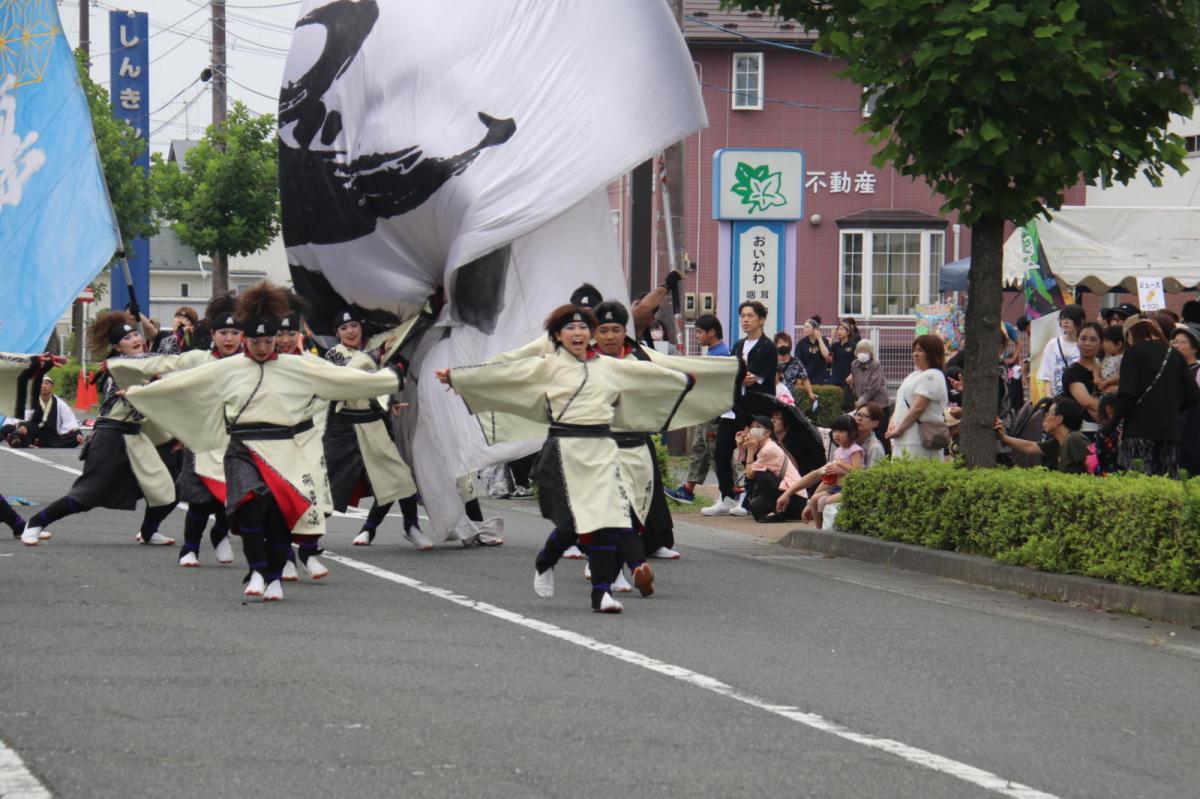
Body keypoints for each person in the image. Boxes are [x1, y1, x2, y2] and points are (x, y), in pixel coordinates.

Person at [121, 282, 408, 601]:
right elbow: (184, 384)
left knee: (277, 518)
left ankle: (273, 577)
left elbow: (342, 380)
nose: (261, 347)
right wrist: (138, 393)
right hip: (242, 448)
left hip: (285, 451)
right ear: (246, 339)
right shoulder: (227, 367)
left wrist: (391, 376)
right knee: (252, 509)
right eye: (255, 341)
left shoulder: (299, 365)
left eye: (268, 341)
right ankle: (257, 570)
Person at [437, 304, 732, 613]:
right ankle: (545, 561)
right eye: (570, 329)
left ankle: (602, 593)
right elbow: (507, 374)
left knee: (612, 518)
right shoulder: (546, 366)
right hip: (565, 452)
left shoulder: (607, 366)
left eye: (582, 328)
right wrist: (460, 379)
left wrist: (682, 380)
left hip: (602, 451)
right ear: (557, 336)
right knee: (576, 523)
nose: (578, 333)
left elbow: (645, 372)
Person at [105, 296, 244, 567]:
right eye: (223, 333)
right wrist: (118, 366)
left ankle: (219, 534)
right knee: (199, 499)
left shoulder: (249, 363)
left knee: (234, 496)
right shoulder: (197, 358)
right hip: (201, 435)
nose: (229, 338)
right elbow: (159, 366)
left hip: (235, 439)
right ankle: (189, 549)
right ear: (213, 335)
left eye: (235, 333)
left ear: (243, 336)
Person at [20, 313, 178, 547]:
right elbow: (148, 371)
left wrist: (144, 320)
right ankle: (36, 522)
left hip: (138, 437)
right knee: (88, 496)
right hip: (111, 437)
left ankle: (148, 531)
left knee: (169, 488)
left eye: (136, 334)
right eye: (127, 338)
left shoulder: (147, 360)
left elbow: (169, 353)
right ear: (117, 346)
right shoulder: (117, 367)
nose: (135, 339)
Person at [324, 307, 424, 552]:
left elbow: (379, 387)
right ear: (337, 333)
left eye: (354, 325)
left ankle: (407, 526)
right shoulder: (335, 355)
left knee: (397, 474)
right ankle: (300, 530)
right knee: (327, 484)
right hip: (344, 427)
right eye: (344, 328)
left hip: (373, 422)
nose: (350, 331)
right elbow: (345, 383)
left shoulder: (374, 353)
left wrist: (388, 403)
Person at [703, 301, 776, 516]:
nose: (745, 320)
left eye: (750, 316)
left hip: (756, 409)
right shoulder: (737, 346)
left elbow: (752, 378)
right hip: (734, 406)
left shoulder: (767, 347)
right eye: (742, 315)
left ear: (761, 319)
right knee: (721, 450)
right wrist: (739, 377)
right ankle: (727, 496)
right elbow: (735, 375)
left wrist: (740, 377)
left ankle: (747, 499)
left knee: (752, 452)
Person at [1106, 315, 1200, 477]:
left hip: (1138, 431)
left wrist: (1111, 425)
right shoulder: (1175, 355)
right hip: (1169, 434)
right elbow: (1193, 394)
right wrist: (1172, 409)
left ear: (1130, 334)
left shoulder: (1134, 353)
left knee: (1139, 485)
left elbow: (1128, 395)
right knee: (1166, 486)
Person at [665, 314, 729, 504]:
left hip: (715, 411)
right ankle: (688, 490)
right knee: (700, 449)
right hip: (707, 411)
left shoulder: (721, 355)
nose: (697, 336)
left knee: (716, 453)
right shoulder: (713, 352)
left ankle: (731, 492)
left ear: (712, 332)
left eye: (699, 332)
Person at [886, 334, 950, 460]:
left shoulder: (933, 375)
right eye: (914, 350)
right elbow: (902, 402)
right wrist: (892, 422)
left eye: (920, 350)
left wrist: (900, 429)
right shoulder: (913, 375)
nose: (915, 354)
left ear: (932, 353)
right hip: (904, 436)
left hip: (919, 438)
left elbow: (918, 408)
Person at [994, 397, 1090, 474]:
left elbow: (1095, 466)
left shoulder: (1074, 439)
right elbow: (1030, 446)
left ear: (1059, 419)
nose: (1045, 417)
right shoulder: (1058, 442)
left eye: (1049, 414)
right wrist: (1003, 437)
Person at [800, 414, 864, 524]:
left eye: (841, 431)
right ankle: (819, 528)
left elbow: (857, 471)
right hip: (837, 486)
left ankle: (830, 527)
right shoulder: (838, 450)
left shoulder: (855, 450)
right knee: (815, 499)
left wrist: (840, 464)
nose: (836, 435)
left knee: (829, 501)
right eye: (835, 431)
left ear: (852, 433)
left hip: (849, 487)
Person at [739, 414, 803, 522]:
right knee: (755, 509)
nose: (753, 430)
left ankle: (779, 512)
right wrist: (741, 447)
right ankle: (774, 510)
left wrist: (750, 450)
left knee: (761, 474)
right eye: (752, 427)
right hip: (786, 495)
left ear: (768, 432)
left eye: (758, 427)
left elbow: (749, 474)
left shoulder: (768, 449)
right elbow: (748, 469)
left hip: (794, 498)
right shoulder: (762, 447)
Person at [9, 377, 83, 449]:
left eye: (47, 384)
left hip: (53, 435)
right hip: (35, 432)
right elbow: (24, 417)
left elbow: (70, 421)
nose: (44, 386)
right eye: (41, 384)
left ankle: (32, 443)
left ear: (52, 386)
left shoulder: (60, 403)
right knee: (17, 428)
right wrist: (22, 426)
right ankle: (17, 439)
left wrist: (78, 433)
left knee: (75, 438)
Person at [1062, 321, 1104, 438]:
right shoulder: (1072, 371)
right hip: (1080, 432)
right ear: (1077, 341)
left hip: (1104, 430)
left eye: (1093, 340)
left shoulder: (1104, 367)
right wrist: (1112, 413)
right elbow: (1086, 401)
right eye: (1083, 338)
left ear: (1101, 343)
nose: (1087, 343)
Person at [1037, 304, 1085, 399]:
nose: (1065, 322)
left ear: (1080, 321)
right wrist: (1049, 398)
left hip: (1079, 399)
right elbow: (1046, 376)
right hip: (1056, 399)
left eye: (1070, 318)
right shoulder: (1052, 344)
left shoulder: (1084, 346)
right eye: (1062, 318)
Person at [1171, 323, 1200, 477]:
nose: (1177, 345)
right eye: (1174, 342)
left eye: (1182, 342)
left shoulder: (1198, 371)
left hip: (1192, 433)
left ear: (1194, 348)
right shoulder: (1171, 371)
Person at [828, 320, 858, 410]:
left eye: (842, 329)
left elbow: (857, 361)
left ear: (848, 332)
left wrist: (852, 375)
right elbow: (827, 354)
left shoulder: (853, 345)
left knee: (847, 404)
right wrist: (832, 337)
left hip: (848, 379)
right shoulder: (835, 345)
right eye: (838, 329)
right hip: (836, 378)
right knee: (835, 404)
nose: (839, 331)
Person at [850, 339, 888, 409]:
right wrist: (856, 398)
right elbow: (854, 383)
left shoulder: (875, 364)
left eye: (865, 351)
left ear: (870, 352)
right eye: (860, 350)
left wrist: (862, 399)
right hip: (862, 403)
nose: (862, 353)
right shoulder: (854, 364)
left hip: (878, 403)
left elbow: (874, 386)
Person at [795, 318, 831, 387]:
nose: (804, 329)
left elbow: (826, 355)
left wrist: (819, 338)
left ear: (815, 329)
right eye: (804, 327)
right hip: (807, 378)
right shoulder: (801, 343)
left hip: (821, 378)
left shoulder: (824, 341)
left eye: (807, 327)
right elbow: (798, 361)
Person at [1097, 325, 1124, 395]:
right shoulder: (1106, 356)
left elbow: (1121, 376)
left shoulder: (1122, 359)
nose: (1103, 344)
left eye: (1106, 341)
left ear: (1118, 344)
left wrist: (1108, 382)